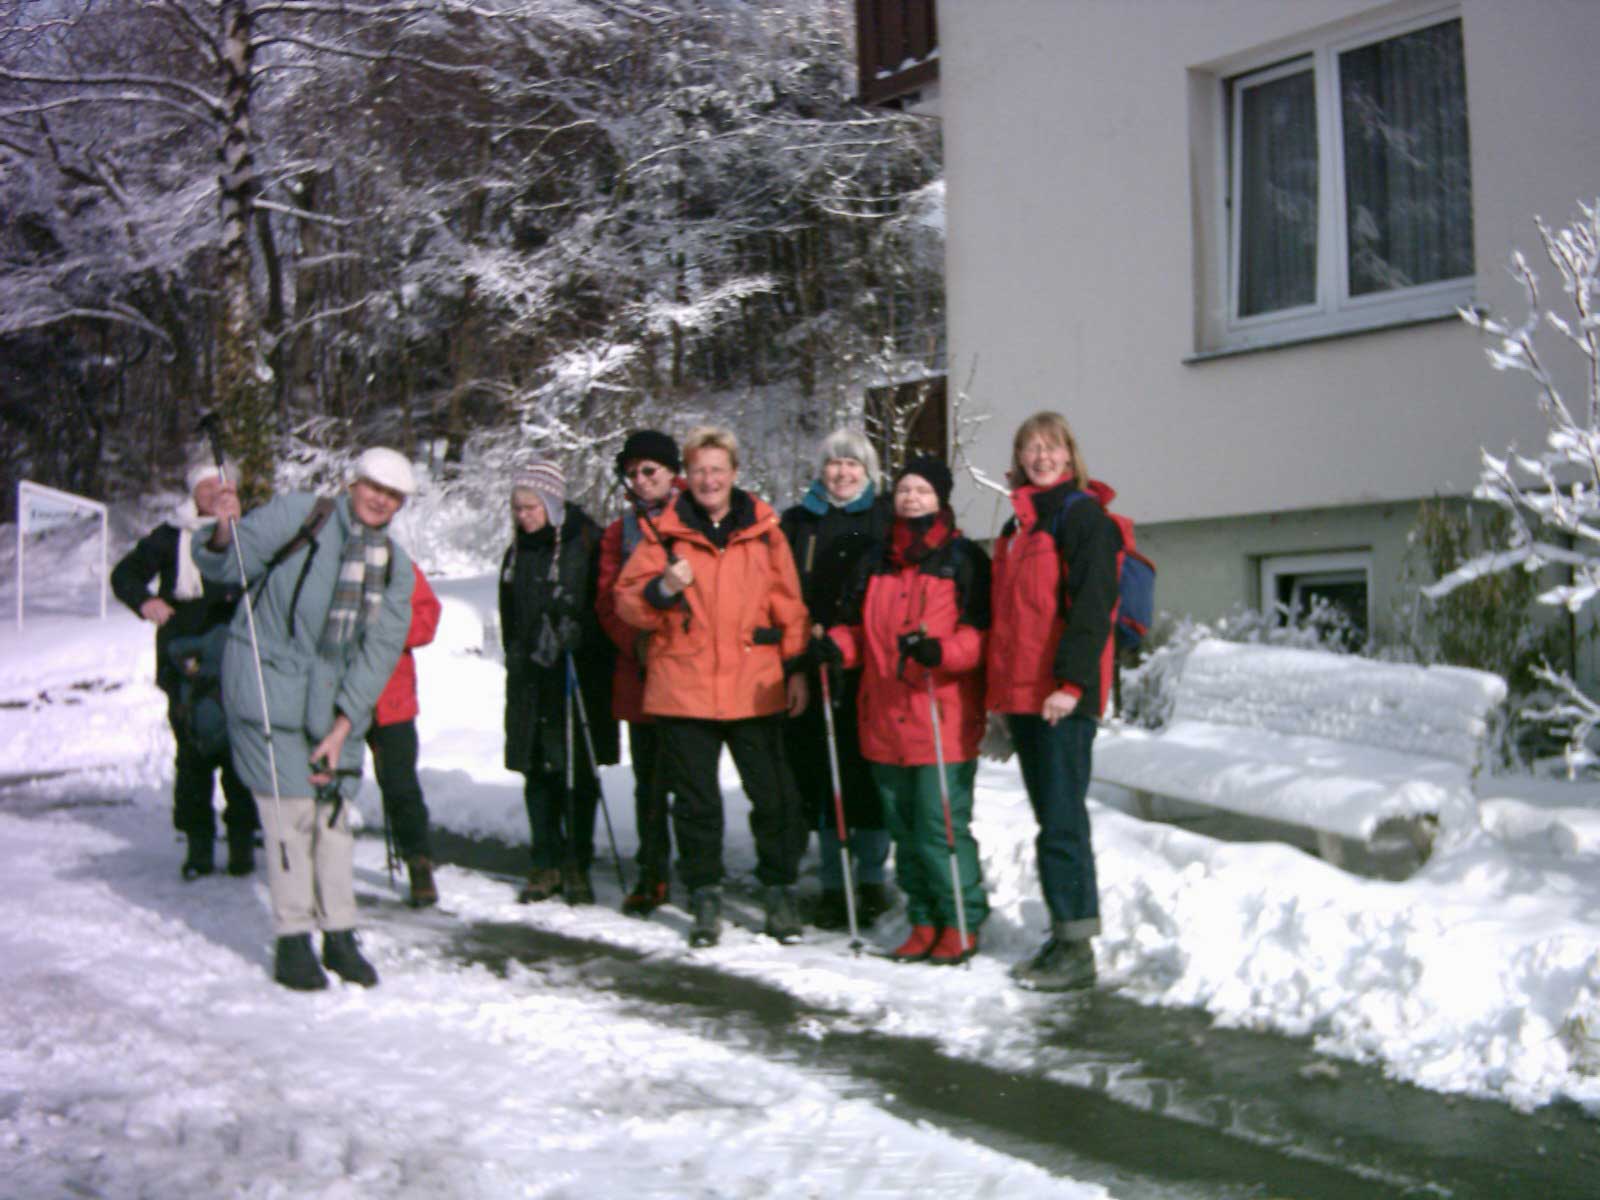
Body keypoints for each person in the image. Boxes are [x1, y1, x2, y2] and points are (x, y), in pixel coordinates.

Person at [194, 447, 417, 992]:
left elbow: (378, 653)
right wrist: (223, 528)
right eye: (372, 487)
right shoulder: (301, 515)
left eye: (391, 496)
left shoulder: (396, 567)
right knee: (290, 814)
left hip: (335, 702)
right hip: (267, 682)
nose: (379, 500)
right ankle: (293, 940)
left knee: (335, 817)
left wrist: (344, 726)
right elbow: (227, 566)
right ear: (353, 482)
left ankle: (339, 934)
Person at [615, 425, 810, 948]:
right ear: (688, 475)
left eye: (717, 470)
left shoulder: (766, 530)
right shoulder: (666, 531)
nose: (708, 479)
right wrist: (661, 588)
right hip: (685, 686)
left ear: (734, 474)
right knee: (696, 803)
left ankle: (779, 890)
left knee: (774, 799)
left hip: (755, 686)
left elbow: (789, 605)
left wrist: (795, 671)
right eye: (699, 470)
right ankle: (704, 895)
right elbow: (627, 600)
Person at [812, 456, 991, 964]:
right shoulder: (875, 561)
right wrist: (837, 648)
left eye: (923, 491)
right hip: (884, 719)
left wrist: (944, 652)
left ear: (942, 500)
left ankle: (961, 918)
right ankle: (923, 919)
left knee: (941, 827)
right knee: (905, 832)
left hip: (942, 720)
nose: (911, 498)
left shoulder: (964, 561)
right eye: (905, 490)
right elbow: (852, 628)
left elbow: (981, 637)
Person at [986, 412, 1122, 992]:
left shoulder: (1082, 517)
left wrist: (1071, 685)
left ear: (1069, 456)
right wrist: (998, 705)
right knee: (1050, 821)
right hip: (1026, 699)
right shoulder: (1020, 528)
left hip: (1061, 698)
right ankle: (1064, 931)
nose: (1040, 456)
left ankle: (1077, 948)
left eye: (1051, 447)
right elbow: (1011, 624)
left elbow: (1094, 607)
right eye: (1029, 448)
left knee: (1062, 820)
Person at [112, 458, 260, 880]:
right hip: (185, 660)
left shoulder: (250, 534)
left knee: (241, 754)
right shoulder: (171, 535)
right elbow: (124, 575)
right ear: (193, 492)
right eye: (206, 485)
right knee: (194, 754)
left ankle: (241, 842)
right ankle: (198, 845)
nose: (215, 491)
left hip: (238, 656)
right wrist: (146, 602)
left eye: (224, 484)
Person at [780, 429, 894, 929]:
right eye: (834, 464)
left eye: (854, 465)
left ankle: (871, 878)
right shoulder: (798, 522)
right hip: (814, 658)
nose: (843, 473)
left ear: (869, 472)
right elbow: (781, 591)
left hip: (870, 664)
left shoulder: (886, 518)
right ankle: (832, 880)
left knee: (866, 771)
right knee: (822, 774)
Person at [500, 461, 618, 905]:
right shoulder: (516, 552)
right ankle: (544, 858)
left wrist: (580, 630)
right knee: (537, 771)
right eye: (517, 508)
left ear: (551, 503)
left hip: (576, 676)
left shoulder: (585, 541)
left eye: (530, 507)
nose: (523, 515)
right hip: (531, 676)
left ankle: (577, 860)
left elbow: (604, 602)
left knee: (576, 770)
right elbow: (508, 611)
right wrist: (516, 651)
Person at [596, 429, 683, 915]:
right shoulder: (619, 532)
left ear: (672, 472)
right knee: (648, 781)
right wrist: (638, 642)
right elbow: (608, 602)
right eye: (633, 474)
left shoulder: (700, 513)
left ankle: (701, 875)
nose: (642, 480)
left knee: (693, 781)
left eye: (650, 470)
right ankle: (653, 873)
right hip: (643, 670)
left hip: (695, 667)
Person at [367, 563, 443, 907]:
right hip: (334, 692)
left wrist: (383, 629)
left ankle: (418, 861)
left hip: (390, 696)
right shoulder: (327, 561)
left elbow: (426, 620)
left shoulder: (397, 564)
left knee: (399, 784)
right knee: (329, 781)